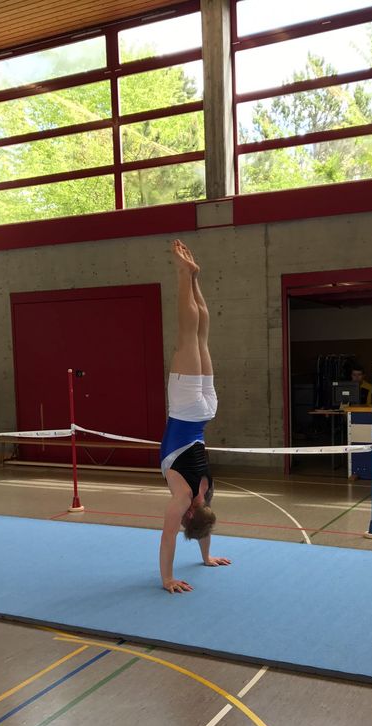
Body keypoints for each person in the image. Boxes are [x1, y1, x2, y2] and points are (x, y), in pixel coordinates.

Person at [159, 240, 231, 594]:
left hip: (206, 412)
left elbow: (205, 524)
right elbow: (168, 538)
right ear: (190, 513)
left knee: (202, 338)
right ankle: (183, 273)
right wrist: (167, 579)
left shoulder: (206, 492)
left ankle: (194, 277)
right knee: (188, 337)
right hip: (185, 410)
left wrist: (207, 557)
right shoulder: (183, 497)